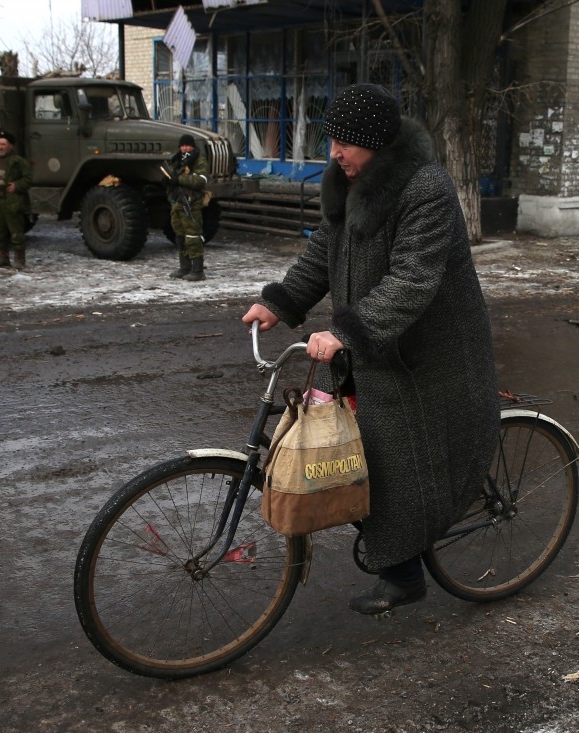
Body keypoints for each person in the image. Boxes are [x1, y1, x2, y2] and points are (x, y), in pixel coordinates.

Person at [241, 84, 499, 615]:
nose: (334, 152)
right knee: (348, 451)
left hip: (429, 350)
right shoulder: (345, 181)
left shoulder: (426, 189)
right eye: (332, 139)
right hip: (369, 340)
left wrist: (345, 333)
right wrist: (281, 301)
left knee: (389, 455)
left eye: (345, 143)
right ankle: (400, 560)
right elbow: (323, 251)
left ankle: (404, 575)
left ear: (378, 143)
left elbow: (413, 279)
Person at [0, 130, 33, 269]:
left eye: (3, 144)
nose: (0, 147)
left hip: (12, 201)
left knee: (16, 232)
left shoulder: (18, 162)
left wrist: (16, 186)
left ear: (10, 146)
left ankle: (19, 260)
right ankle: (2, 258)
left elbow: (28, 179)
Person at [165, 133, 209, 282]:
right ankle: (184, 267)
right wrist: (168, 181)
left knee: (192, 235)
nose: (185, 148)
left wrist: (179, 179)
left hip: (191, 203)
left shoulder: (198, 160)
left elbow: (200, 180)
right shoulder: (176, 160)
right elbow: (171, 176)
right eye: (182, 145)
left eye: (187, 145)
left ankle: (197, 270)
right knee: (180, 235)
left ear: (193, 146)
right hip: (177, 202)